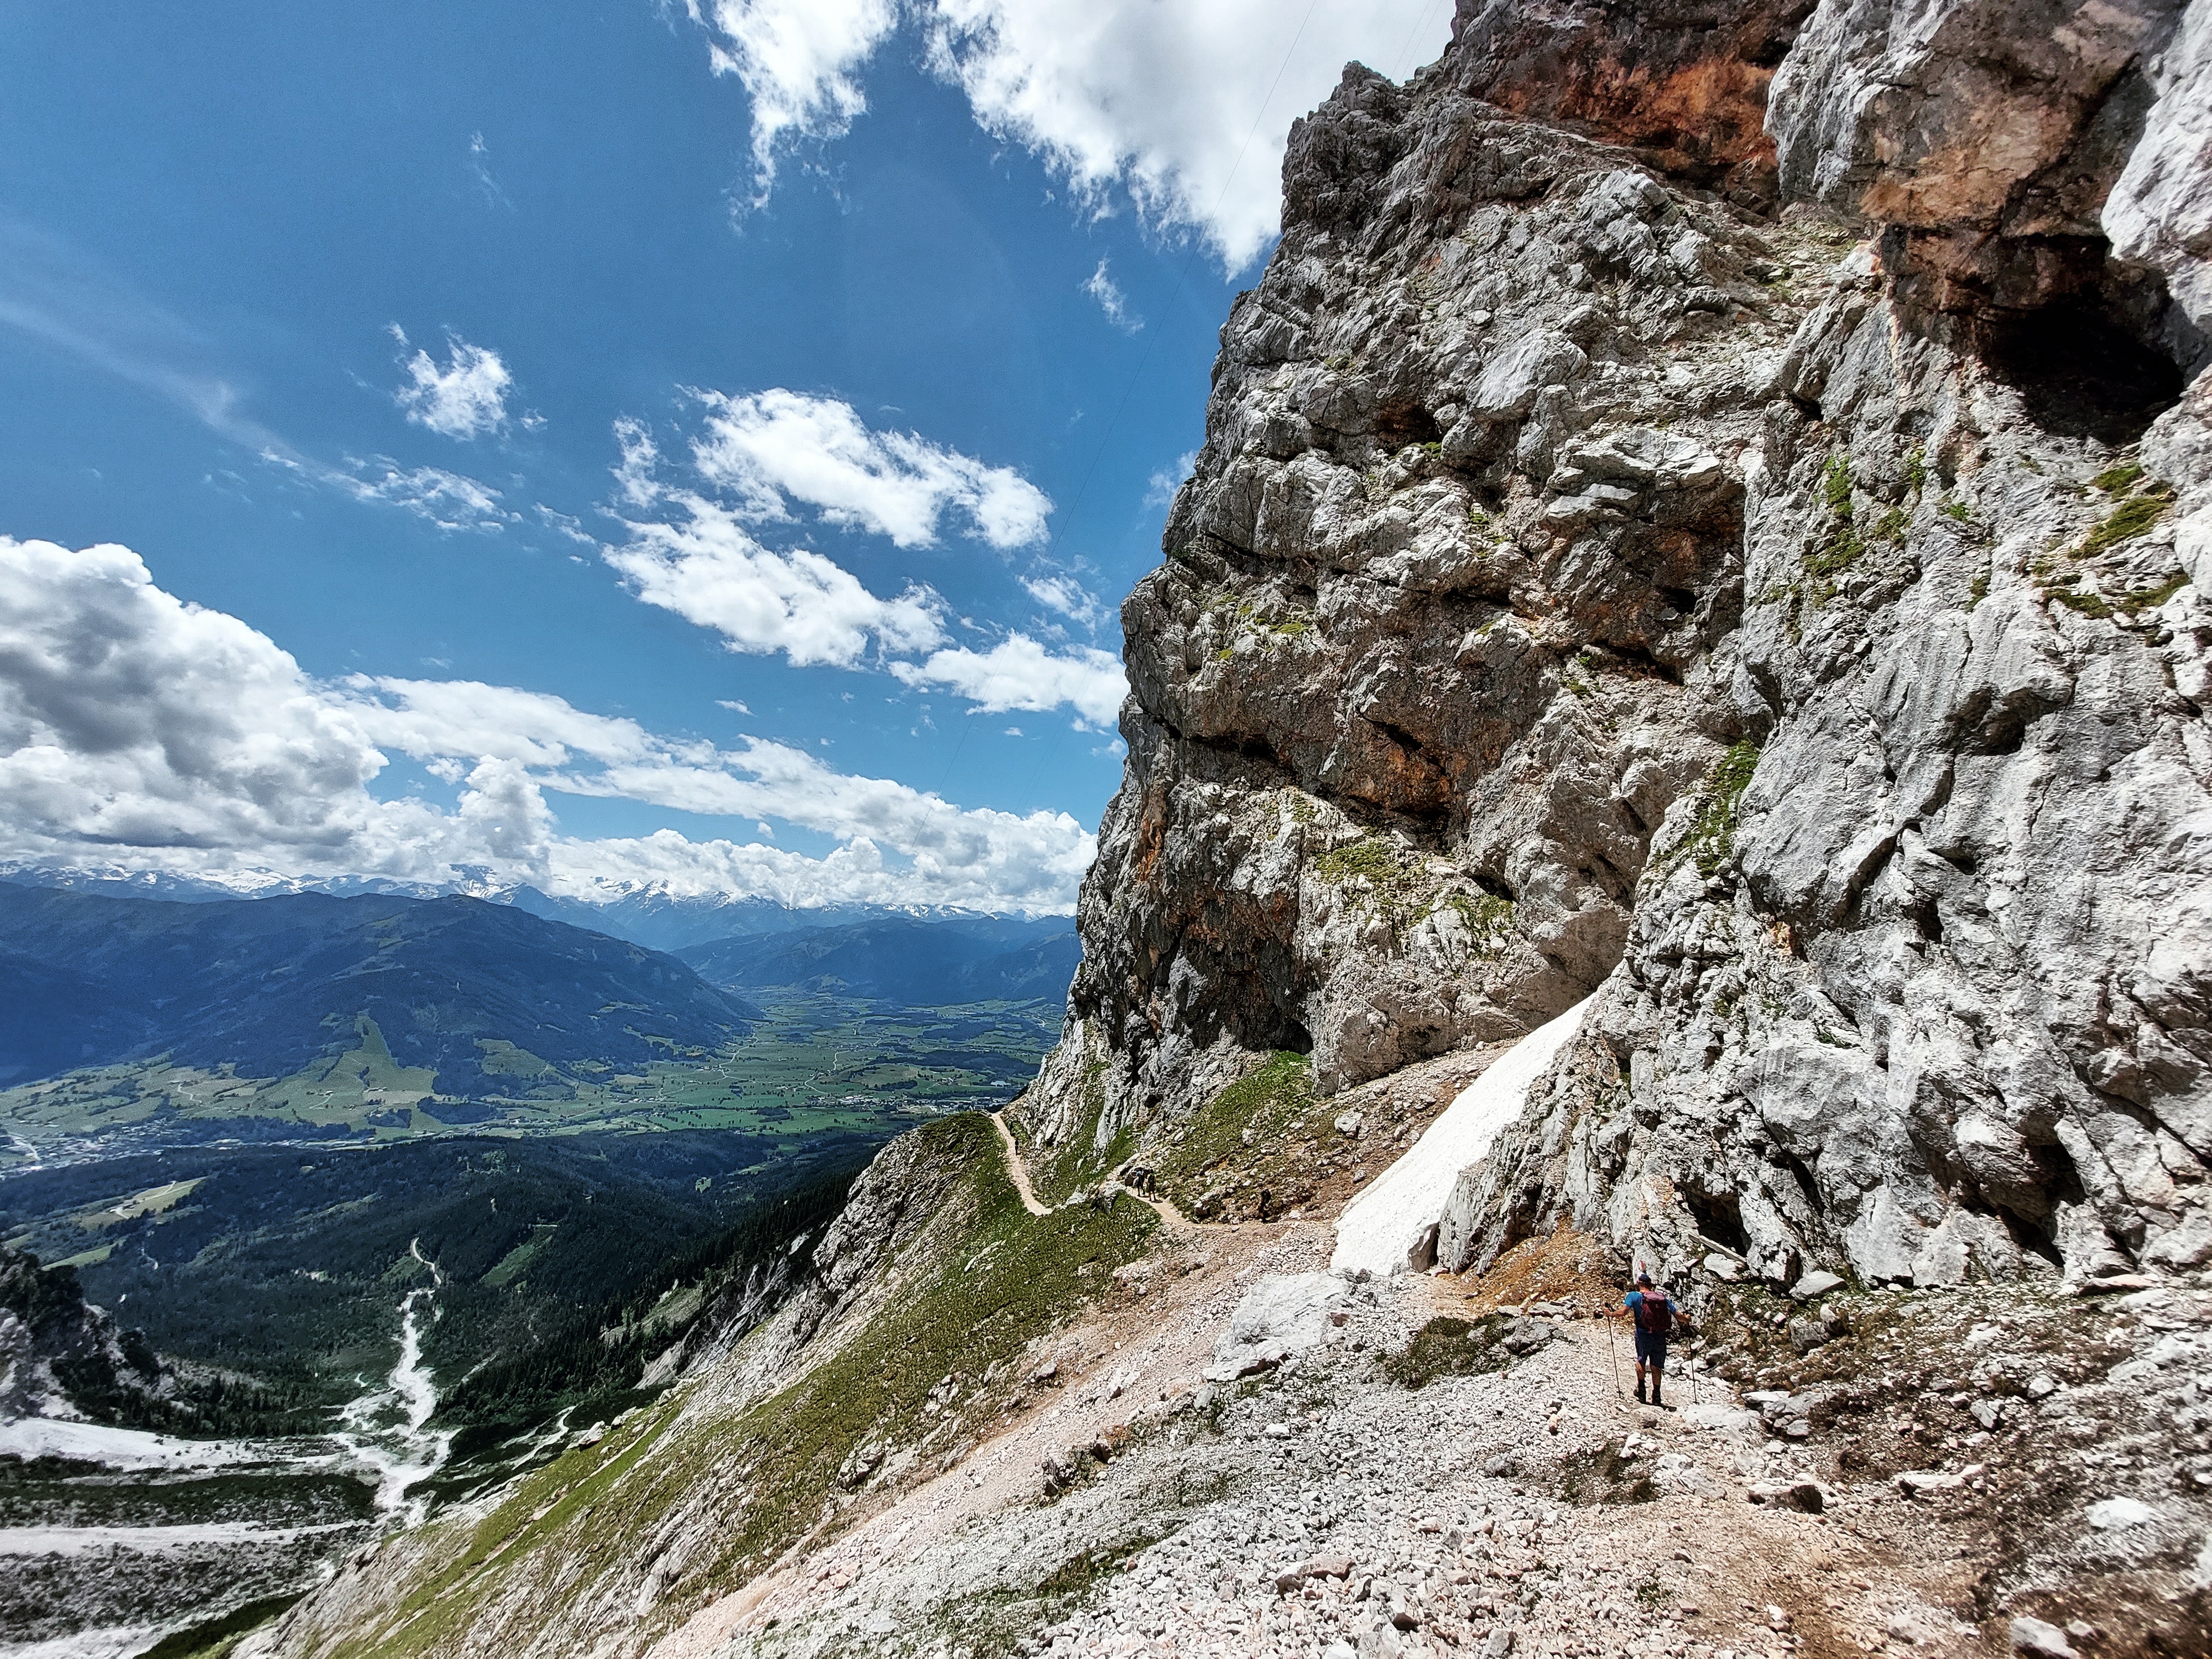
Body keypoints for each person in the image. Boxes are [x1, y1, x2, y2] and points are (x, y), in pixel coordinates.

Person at [1614, 1270, 1679, 1406]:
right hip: (1660, 1336)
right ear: (1651, 1285)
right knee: (1656, 1366)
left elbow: (1623, 1312)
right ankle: (1657, 1396)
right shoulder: (1661, 1298)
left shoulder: (1634, 1296)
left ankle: (1642, 1391)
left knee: (1641, 1361)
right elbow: (1677, 1314)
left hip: (1643, 1334)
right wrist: (1686, 1318)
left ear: (1639, 1284)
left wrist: (1610, 1313)